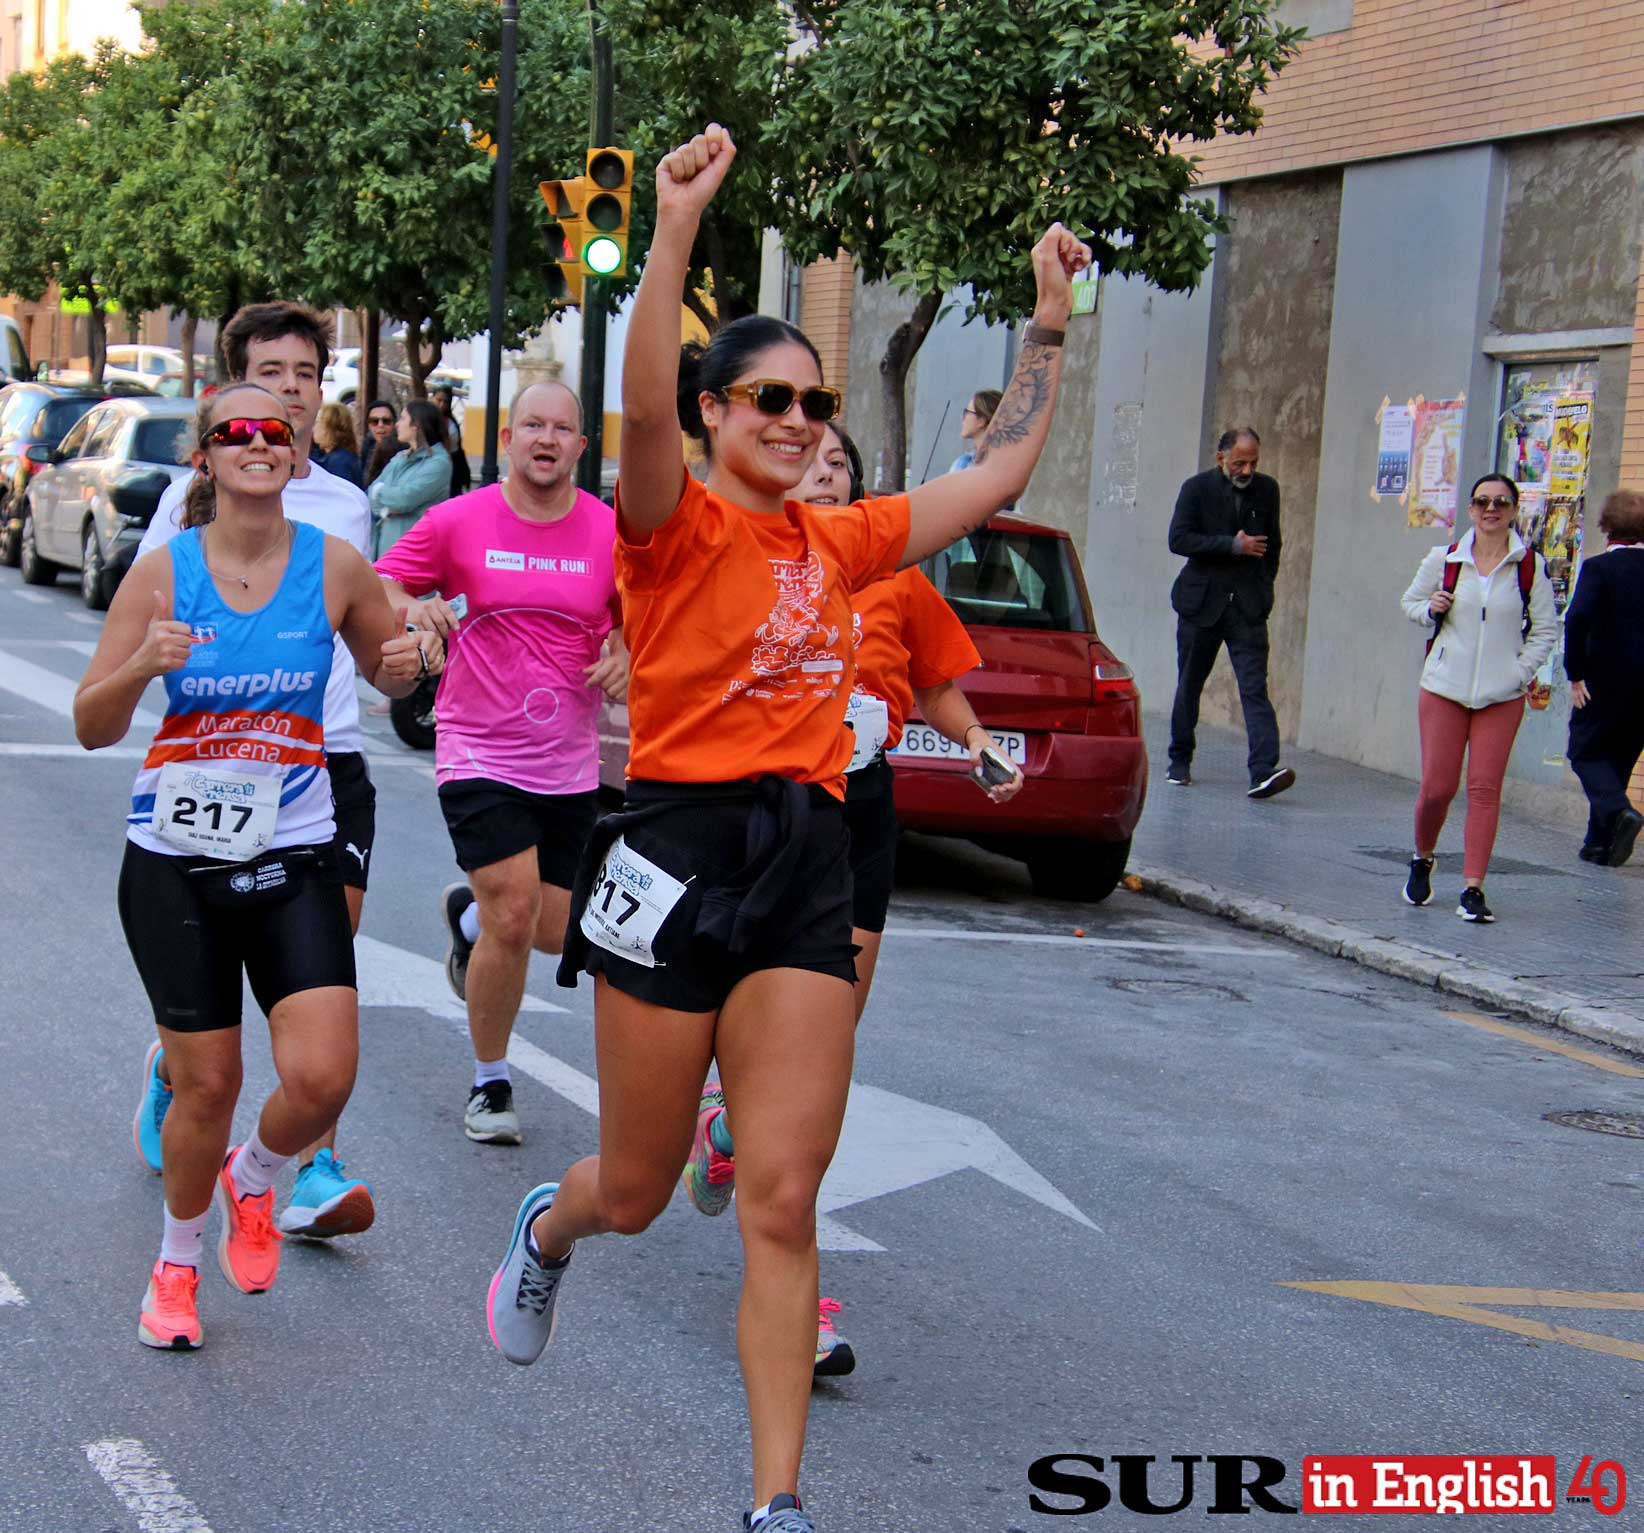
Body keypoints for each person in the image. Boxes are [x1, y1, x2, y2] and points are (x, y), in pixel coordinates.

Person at [481, 124, 1087, 1533]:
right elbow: (635, 409)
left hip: (808, 857)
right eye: (766, 399)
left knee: (780, 1197)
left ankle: (776, 1504)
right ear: (712, 414)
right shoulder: (668, 522)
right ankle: (548, 1233)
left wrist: (1049, 320)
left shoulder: (845, 540)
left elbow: (992, 476)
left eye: (812, 403)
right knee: (633, 1189)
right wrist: (674, 229)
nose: (799, 421)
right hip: (674, 857)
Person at [75, 383, 426, 1351]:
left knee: (320, 1077)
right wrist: (141, 664)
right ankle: (177, 1266)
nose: (257, 444)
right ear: (206, 457)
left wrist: (417, 651)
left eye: (274, 431)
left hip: (294, 844)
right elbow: (90, 724)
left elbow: (388, 675)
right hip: (175, 861)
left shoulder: (335, 565)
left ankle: (256, 1179)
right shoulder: (160, 574)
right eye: (234, 433)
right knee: (208, 1084)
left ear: (296, 447)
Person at [683, 418, 1025, 1381]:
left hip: (857, 817)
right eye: (812, 459)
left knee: (813, 1076)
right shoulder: (744, 561)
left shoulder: (895, 579)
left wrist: (976, 742)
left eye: (841, 463)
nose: (824, 471)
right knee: (761, 1059)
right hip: (756, 810)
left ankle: (745, 1152)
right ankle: (742, 1148)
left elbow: (937, 681)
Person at [128, 302, 396, 1241]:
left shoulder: (347, 505)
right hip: (211, 781)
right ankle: (179, 1069)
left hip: (326, 763)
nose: (285, 393)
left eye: (303, 377)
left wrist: (410, 650)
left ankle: (304, 1162)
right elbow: (138, 635)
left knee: (328, 982)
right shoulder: (185, 514)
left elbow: (380, 631)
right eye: (267, 374)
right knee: (214, 1043)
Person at [376, 379, 627, 1146]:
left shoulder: (610, 533)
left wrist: (626, 650)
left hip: (568, 760)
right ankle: (490, 1080)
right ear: (509, 439)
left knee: (554, 932)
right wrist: (411, 607)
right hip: (477, 744)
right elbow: (382, 581)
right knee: (514, 911)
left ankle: (467, 921)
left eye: (562, 429)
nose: (546, 439)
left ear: (583, 447)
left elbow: (642, 619)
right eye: (532, 426)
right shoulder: (460, 519)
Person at [1398, 472, 1562, 921]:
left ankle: (1473, 889)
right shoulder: (1445, 558)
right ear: (1471, 509)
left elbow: (1546, 628)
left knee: (1485, 789)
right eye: (1483, 502)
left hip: (1501, 694)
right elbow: (1409, 604)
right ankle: (1422, 856)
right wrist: (1428, 607)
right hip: (1444, 688)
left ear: (1513, 510)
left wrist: (1519, 670)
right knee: (1437, 788)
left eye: (1502, 502)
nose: (1492, 509)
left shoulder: (1529, 566)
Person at [1165, 427, 1294, 798]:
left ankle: (1263, 771)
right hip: (1201, 604)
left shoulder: (1267, 489)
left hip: (1247, 608)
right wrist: (1231, 546)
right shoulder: (1196, 489)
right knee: (1190, 683)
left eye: (1253, 462)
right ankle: (1179, 760)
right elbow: (1179, 539)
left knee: (1255, 688)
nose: (1246, 470)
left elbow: (1274, 545)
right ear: (1221, 457)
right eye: (1239, 462)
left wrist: (1265, 589)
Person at [1566, 489, 1644, 867]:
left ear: (1606, 527)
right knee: (1617, 762)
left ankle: (1618, 812)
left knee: (1584, 752)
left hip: (1603, 680)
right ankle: (1599, 844)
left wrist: (1575, 674)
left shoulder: (1599, 568)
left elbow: (1577, 618)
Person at [366, 402, 452, 559]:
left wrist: (382, 493)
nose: (397, 424)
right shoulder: (401, 457)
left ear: (417, 425)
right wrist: (387, 509)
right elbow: (370, 492)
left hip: (415, 554)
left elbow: (405, 499)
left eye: (403, 418)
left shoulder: (439, 463)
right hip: (385, 550)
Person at [945, 389, 1002, 475]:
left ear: (981, 420)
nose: (962, 417)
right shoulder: (964, 461)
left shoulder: (1000, 465)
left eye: (967, 412)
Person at [310, 400, 365, 488]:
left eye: (316, 423)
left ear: (328, 429)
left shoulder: (339, 463)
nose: (313, 428)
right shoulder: (335, 457)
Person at [430, 382, 471, 497]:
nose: (442, 404)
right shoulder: (427, 421)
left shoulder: (451, 421)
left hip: (453, 466)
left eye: (446, 402)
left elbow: (458, 447)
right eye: (439, 400)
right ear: (432, 399)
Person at [360, 399, 402, 485]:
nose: (380, 425)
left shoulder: (404, 452)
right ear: (368, 425)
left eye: (386, 421)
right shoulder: (366, 448)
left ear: (394, 424)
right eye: (374, 421)